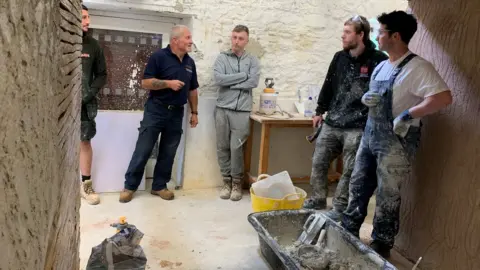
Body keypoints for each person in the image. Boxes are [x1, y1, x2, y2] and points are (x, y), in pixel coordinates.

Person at [341, 11, 452, 258]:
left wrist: (408, 114)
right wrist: (366, 98)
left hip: (396, 141)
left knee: (387, 193)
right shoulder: (381, 65)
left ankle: (381, 244)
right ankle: (348, 231)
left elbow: (443, 97)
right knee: (358, 184)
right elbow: (377, 97)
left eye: (381, 32)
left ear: (396, 35)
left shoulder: (418, 67)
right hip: (370, 135)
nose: (377, 37)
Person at [303, 16, 388, 220]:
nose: (343, 35)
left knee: (350, 168)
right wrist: (319, 111)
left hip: (358, 125)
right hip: (333, 121)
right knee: (318, 160)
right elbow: (328, 85)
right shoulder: (339, 57)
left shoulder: (378, 60)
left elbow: (385, 93)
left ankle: (339, 207)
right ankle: (317, 198)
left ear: (361, 35)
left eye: (348, 32)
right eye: (344, 31)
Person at [119, 25, 199, 203]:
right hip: (156, 110)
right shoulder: (159, 57)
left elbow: (193, 90)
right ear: (175, 40)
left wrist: (194, 112)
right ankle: (129, 186)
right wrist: (168, 84)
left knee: (168, 152)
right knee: (144, 149)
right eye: (187, 37)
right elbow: (145, 83)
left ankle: (159, 186)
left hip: (177, 112)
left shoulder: (189, 63)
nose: (190, 41)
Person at [213, 25, 260, 201]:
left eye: (240, 38)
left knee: (236, 147)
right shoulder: (222, 58)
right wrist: (242, 76)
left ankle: (237, 184)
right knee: (222, 146)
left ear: (246, 41)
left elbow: (253, 82)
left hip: (242, 110)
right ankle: (226, 181)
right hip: (222, 108)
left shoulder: (253, 61)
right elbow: (219, 79)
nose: (236, 41)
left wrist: (230, 82)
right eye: (234, 37)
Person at [80, 4, 107, 205]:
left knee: (85, 142)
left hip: (85, 104)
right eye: (83, 17)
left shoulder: (93, 45)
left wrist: (89, 94)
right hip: (58, 105)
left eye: (88, 17)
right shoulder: (58, 40)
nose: (88, 21)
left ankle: (85, 185)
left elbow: (102, 74)